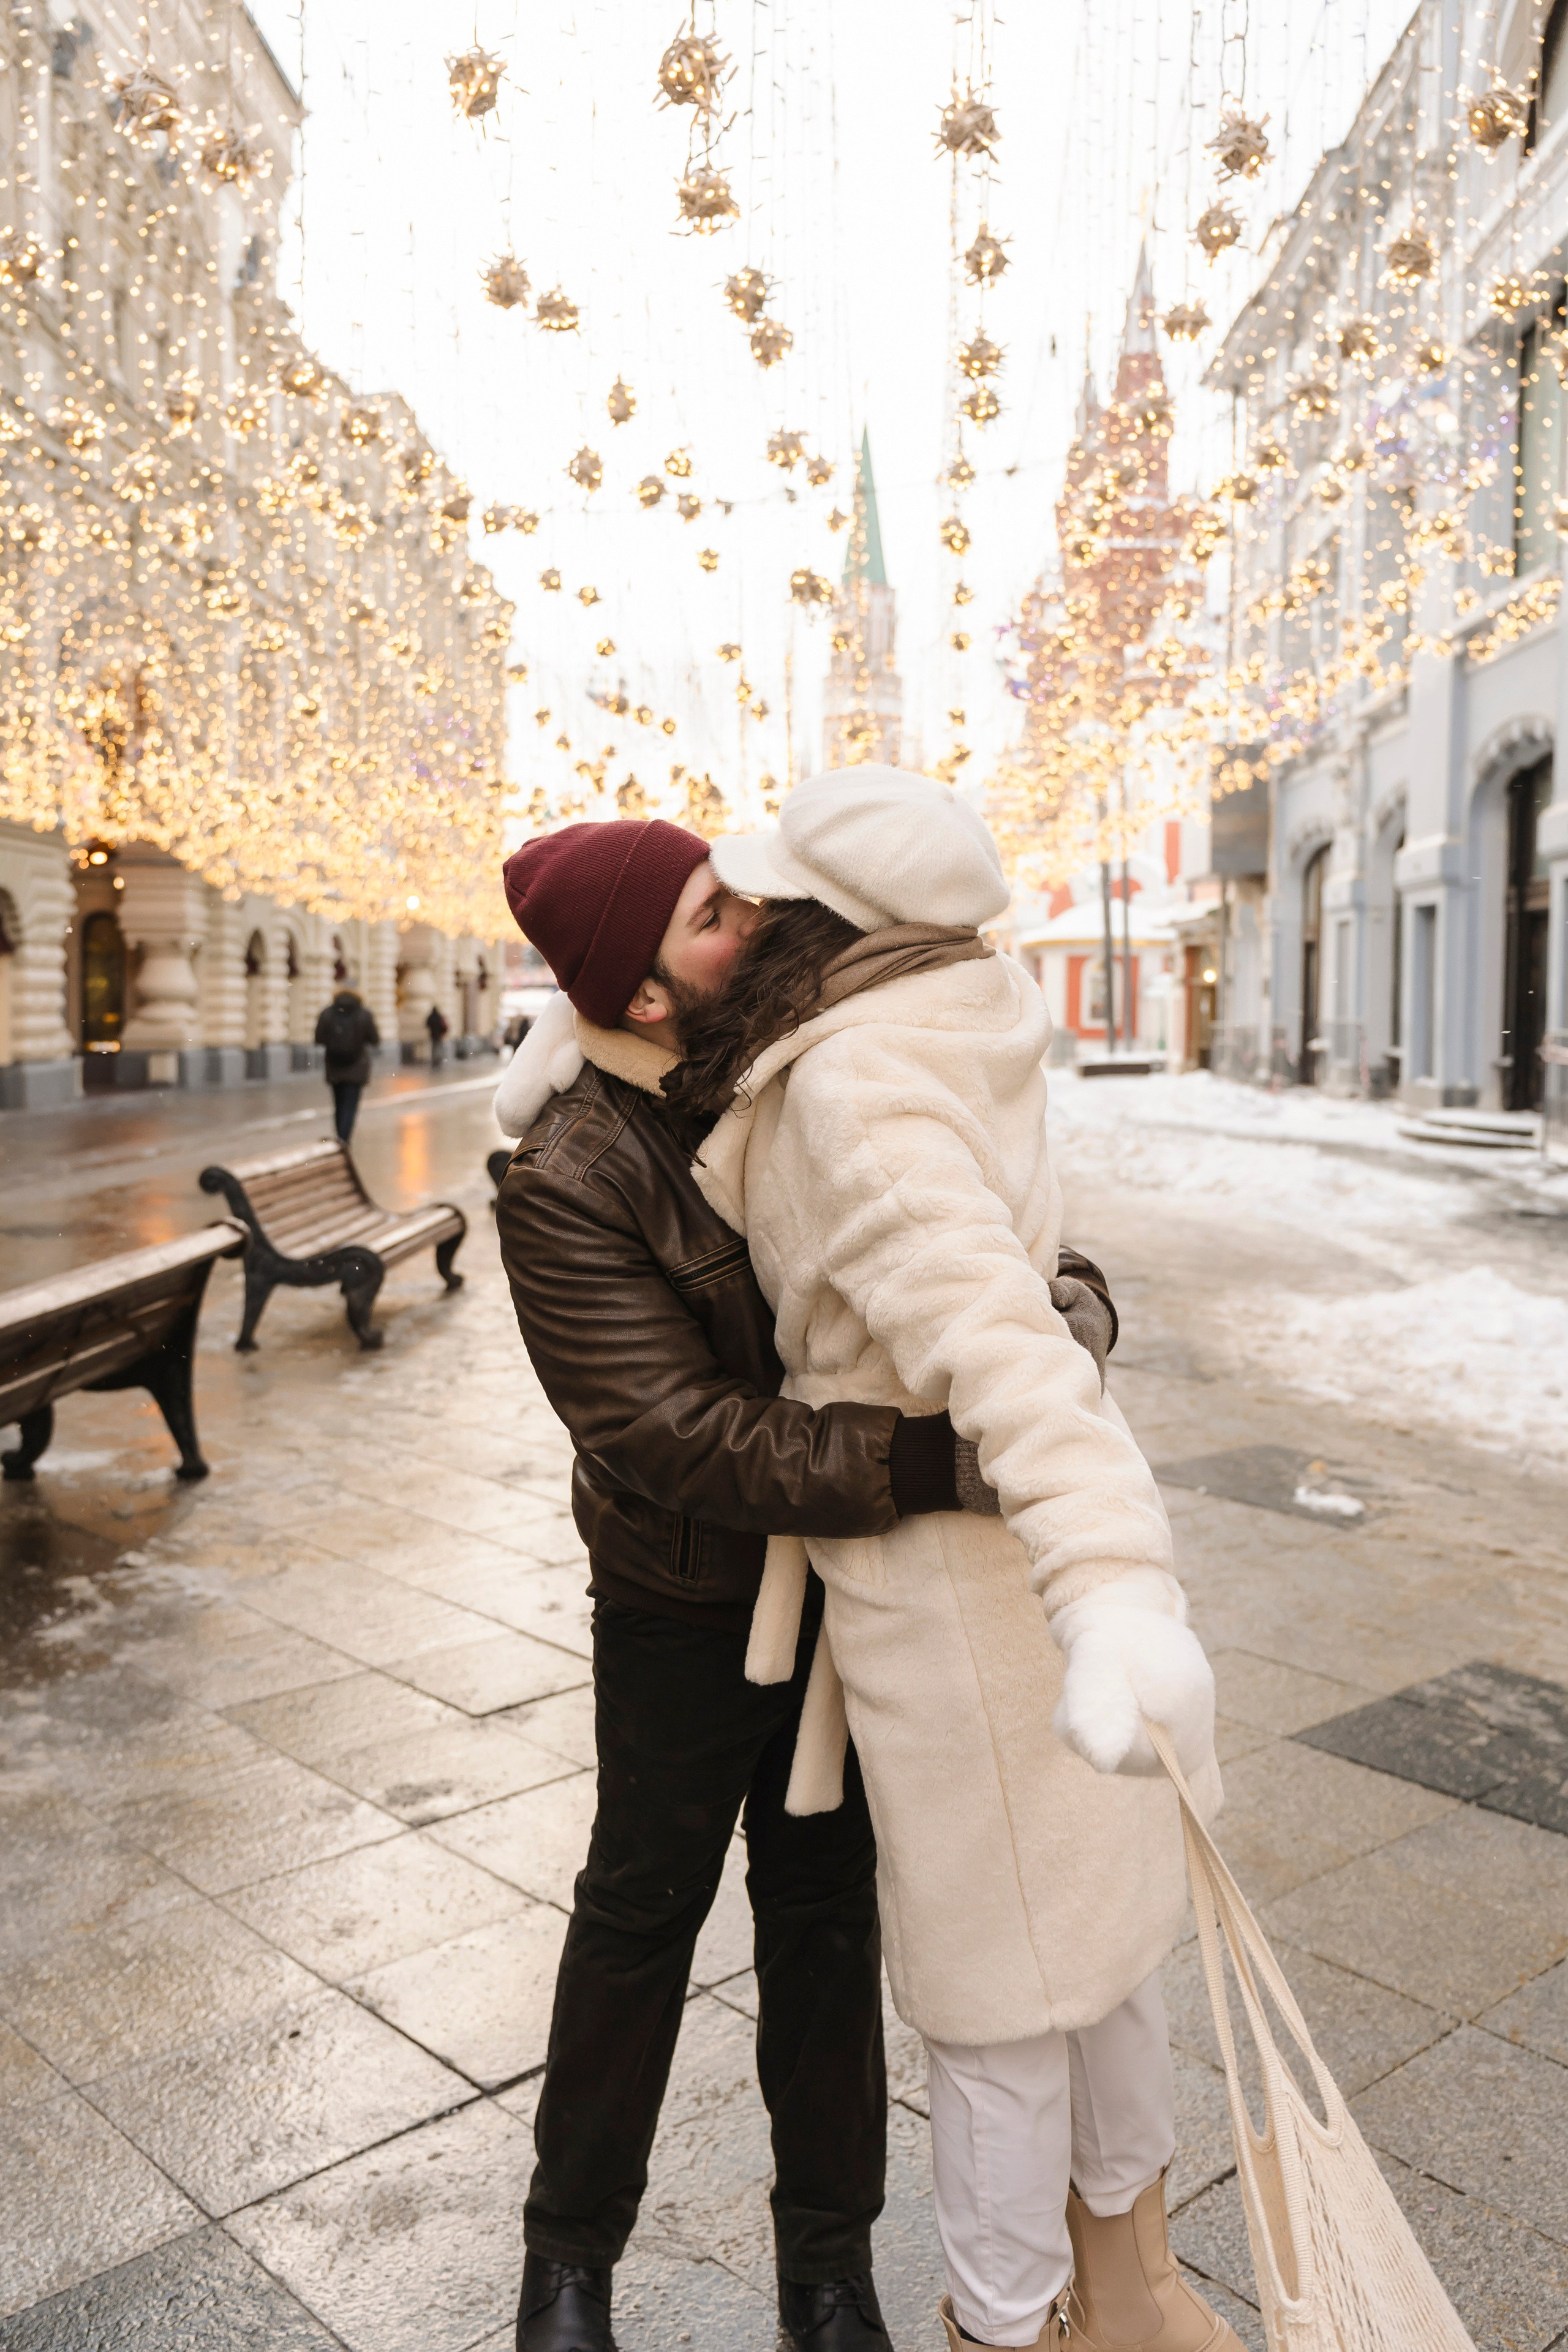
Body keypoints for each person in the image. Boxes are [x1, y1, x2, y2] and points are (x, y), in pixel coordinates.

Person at [491, 818, 1120, 2352]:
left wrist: (1065, 1309)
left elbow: (965, 1198)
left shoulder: (802, 1035)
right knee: (640, 1909)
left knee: (824, 1916)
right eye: (711, 914)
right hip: (685, 1595)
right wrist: (923, 1460)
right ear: (642, 996)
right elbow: (662, 1428)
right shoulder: (567, 1171)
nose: (754, 917)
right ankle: (568, 2255)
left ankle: (825, 2269)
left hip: (847, 1588)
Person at [657, 768, 1236, 2352]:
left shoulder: (848, 1091)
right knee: (1103, 1958)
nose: (748, 919)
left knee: (999, 2008)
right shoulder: (950, 1013)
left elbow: (1008, 1350)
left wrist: (1114, 1583)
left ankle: (1011, 2322)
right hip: (1010, 1585)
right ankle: (1139, 2294)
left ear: (822, 922)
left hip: (964, 1602)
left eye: (764, 899)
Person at [314, 985, 379, 1144]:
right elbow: (375, 1039)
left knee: (338, 1105)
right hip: (356, 1067)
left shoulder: (327, 1013)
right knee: (350, 1106)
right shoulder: (364, 1014)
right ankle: (344, 1139)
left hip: (334, 1065)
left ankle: (339, 1138)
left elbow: (318, 1038)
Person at [426, 1001, 450, 1065]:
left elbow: (427, 1025)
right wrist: (443, 1033)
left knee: (434, 1047)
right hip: (440, 1035)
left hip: (433, 1035)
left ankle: (435, 1059)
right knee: (439, 1047)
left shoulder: (431, 1017)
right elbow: (445, 1026)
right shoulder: (440, 1017)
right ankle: (439, 1059)